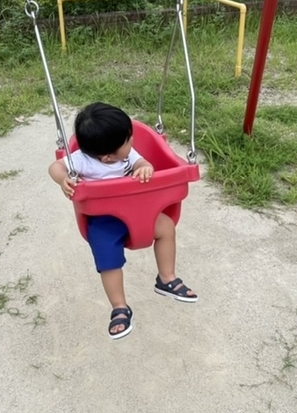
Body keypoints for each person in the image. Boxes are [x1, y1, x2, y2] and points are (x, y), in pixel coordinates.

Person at [48, 102, 197, 340]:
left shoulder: (127, 153)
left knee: (166, 227)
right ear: (107, 158)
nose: (132, 144)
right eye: (128, 141)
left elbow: (141, 162)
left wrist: (145, 168)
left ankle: (166, 278)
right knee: (108, 259)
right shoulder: (82, 161)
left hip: (140, 212)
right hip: (104, 220)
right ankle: (119, 307)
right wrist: (62, 179)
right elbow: (55, 167)